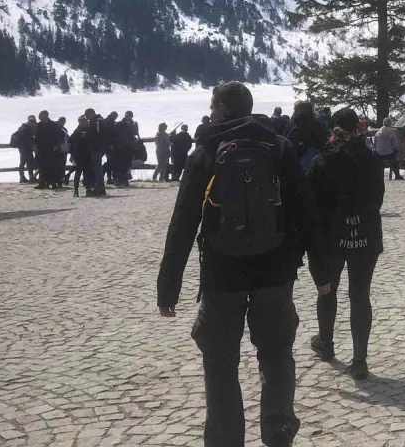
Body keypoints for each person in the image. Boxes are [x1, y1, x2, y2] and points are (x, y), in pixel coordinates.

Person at [157, 81, 330, 447]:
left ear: (222, 108)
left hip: (223, 273)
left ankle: (224, 440)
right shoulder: (278, 146)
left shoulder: (206, 149)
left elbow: (184, 218)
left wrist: (168, 286)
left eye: (212, 105)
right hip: (276, 271)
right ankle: (278, 432)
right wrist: (321, 271)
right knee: (276, 355)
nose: (209, 111)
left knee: (220, 363)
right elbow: (305, 211)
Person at [308, 109, 385, 380]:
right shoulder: (372, 160)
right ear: (359, 129)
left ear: (333, 129)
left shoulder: (322, 161)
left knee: (327, 291)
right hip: (366, 235)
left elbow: (313, 206)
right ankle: (360, 360)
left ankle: (326, 344)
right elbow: (378, 200)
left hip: (332, 237)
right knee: (359, 295)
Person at [11, 115, 37, 183]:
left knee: (23, 163)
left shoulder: (22, 127)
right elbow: (31, 139)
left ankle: (22, 178)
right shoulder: (28, 128)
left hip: (22, 148)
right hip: (27, 148)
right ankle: (30, 177)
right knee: (29, 163)